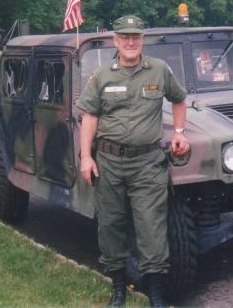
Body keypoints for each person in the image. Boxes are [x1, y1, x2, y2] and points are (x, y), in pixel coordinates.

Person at [77, 15, 189, 308]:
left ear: (142, 40)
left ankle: (156, 294)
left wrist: (179, 132)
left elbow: (179, 99)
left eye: (135, 37)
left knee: (151, 227)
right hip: (109, 162)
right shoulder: (102, 76)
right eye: (124, 37)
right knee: (111, 225)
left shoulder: (159, 71)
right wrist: (86, 157)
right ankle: (118, 288)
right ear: (115, 40)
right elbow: (89, 117)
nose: (130, 42)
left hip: (148, 163)